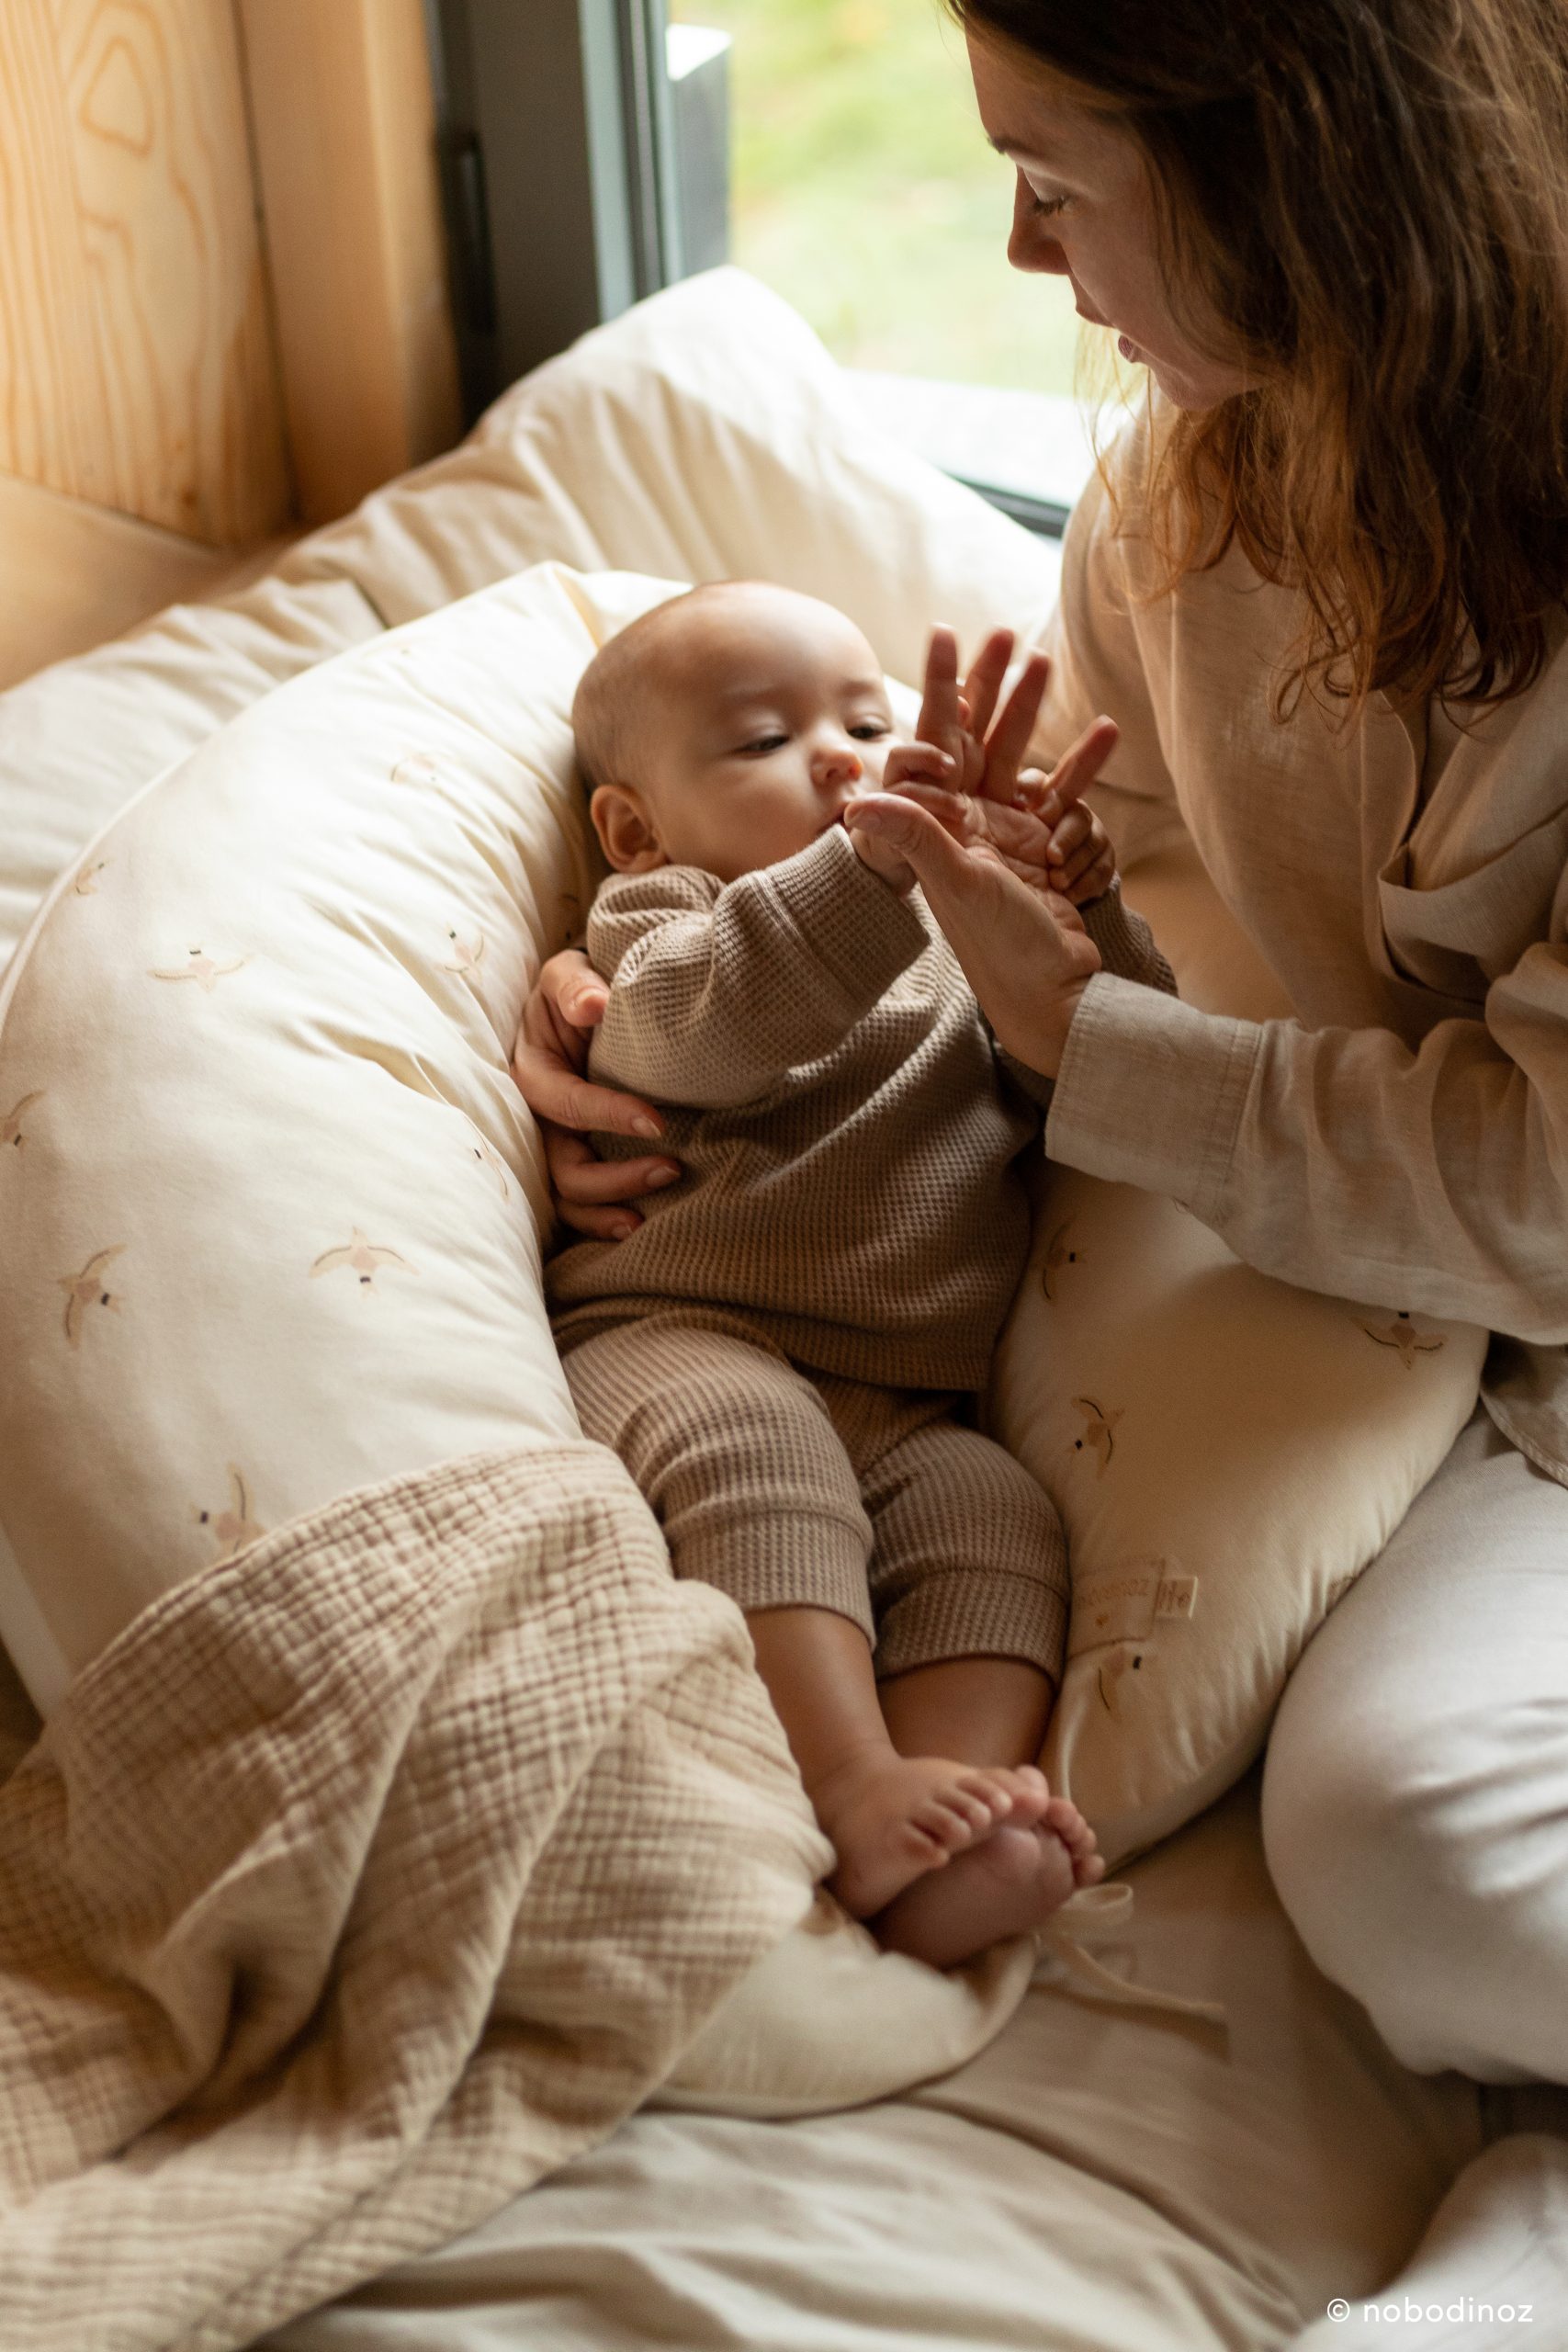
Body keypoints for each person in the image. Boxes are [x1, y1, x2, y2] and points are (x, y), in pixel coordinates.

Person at [516, 0, 1568, 2313]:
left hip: (1520, 1274)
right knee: (1410, 1850)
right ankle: (908, 1804)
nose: (1013, 244)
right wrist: (622, 1022)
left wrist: (1068, 1020)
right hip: (1481, 1369)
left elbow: (1531, 1179)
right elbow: (1076, 892)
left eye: (1061, 172)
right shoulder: (1180, 508)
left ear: (1291, 165)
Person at [548, 577, 1176, 1966]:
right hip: (685, 1333)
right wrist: (873, 871)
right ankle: (850, 1778)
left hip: (904, 1392)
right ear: (634, 822)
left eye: (867, 720)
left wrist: (1078, 904)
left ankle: (959, 1813)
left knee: (997, 1521)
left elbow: (1118, 1072)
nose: (842, 758)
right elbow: (693, 1037)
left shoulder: (969, 933)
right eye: (764, 742)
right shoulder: (661, 920)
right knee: (754, 1451)